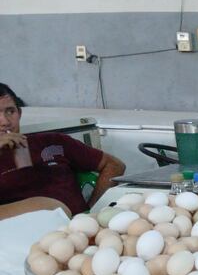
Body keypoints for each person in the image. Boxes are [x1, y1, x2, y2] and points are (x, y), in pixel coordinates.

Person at [0, 83, 125, 219]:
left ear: (19, 113)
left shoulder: (53, 141)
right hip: (22, 234)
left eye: (10, 111)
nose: (5, 121)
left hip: (79, 228)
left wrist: (94, 210)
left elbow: (114, 165)